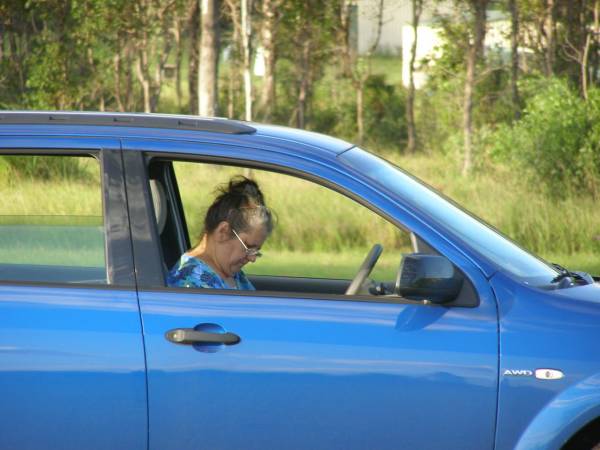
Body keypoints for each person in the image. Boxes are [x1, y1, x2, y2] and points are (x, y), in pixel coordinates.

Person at [166, 176, 273, 290]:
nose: (252, 258)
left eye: (256, 251)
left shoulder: (231, 273)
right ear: (223, 232)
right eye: (249, 247)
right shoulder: (191, 284)